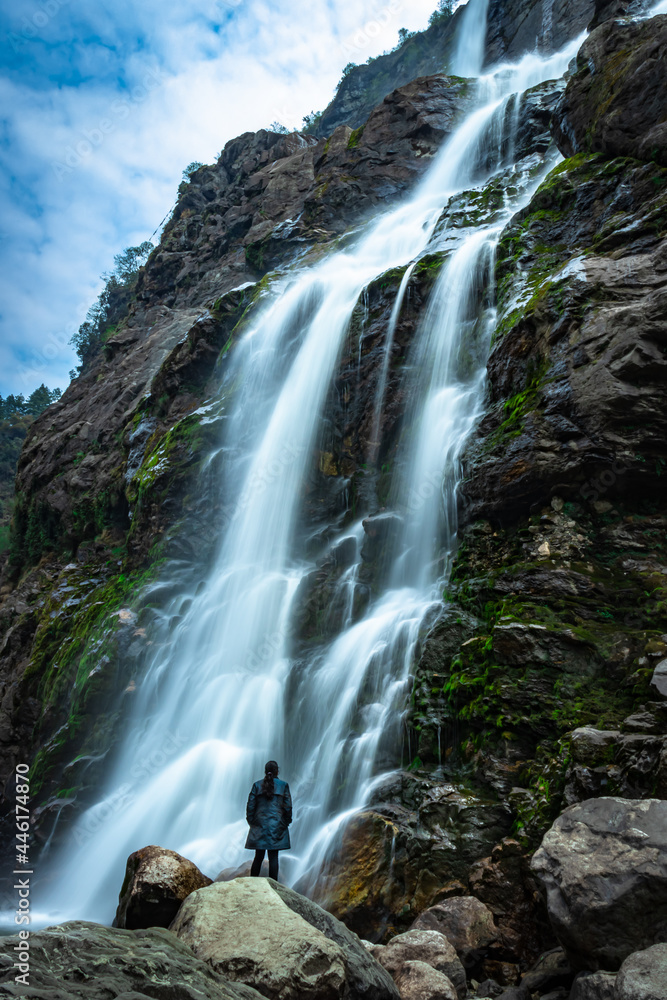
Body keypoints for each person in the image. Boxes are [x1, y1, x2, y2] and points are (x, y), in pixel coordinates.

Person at [245, 760, 292, 881]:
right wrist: (285, 823)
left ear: (265, 771)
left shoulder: (256, 785)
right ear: (277, 771)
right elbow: (288, 807)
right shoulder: (283, 786)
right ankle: (274, 887)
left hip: (259, 825)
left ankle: (251, 883)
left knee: (258, 856)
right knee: (274, 857)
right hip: (277, 826)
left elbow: (250, 806)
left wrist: (252, 822)